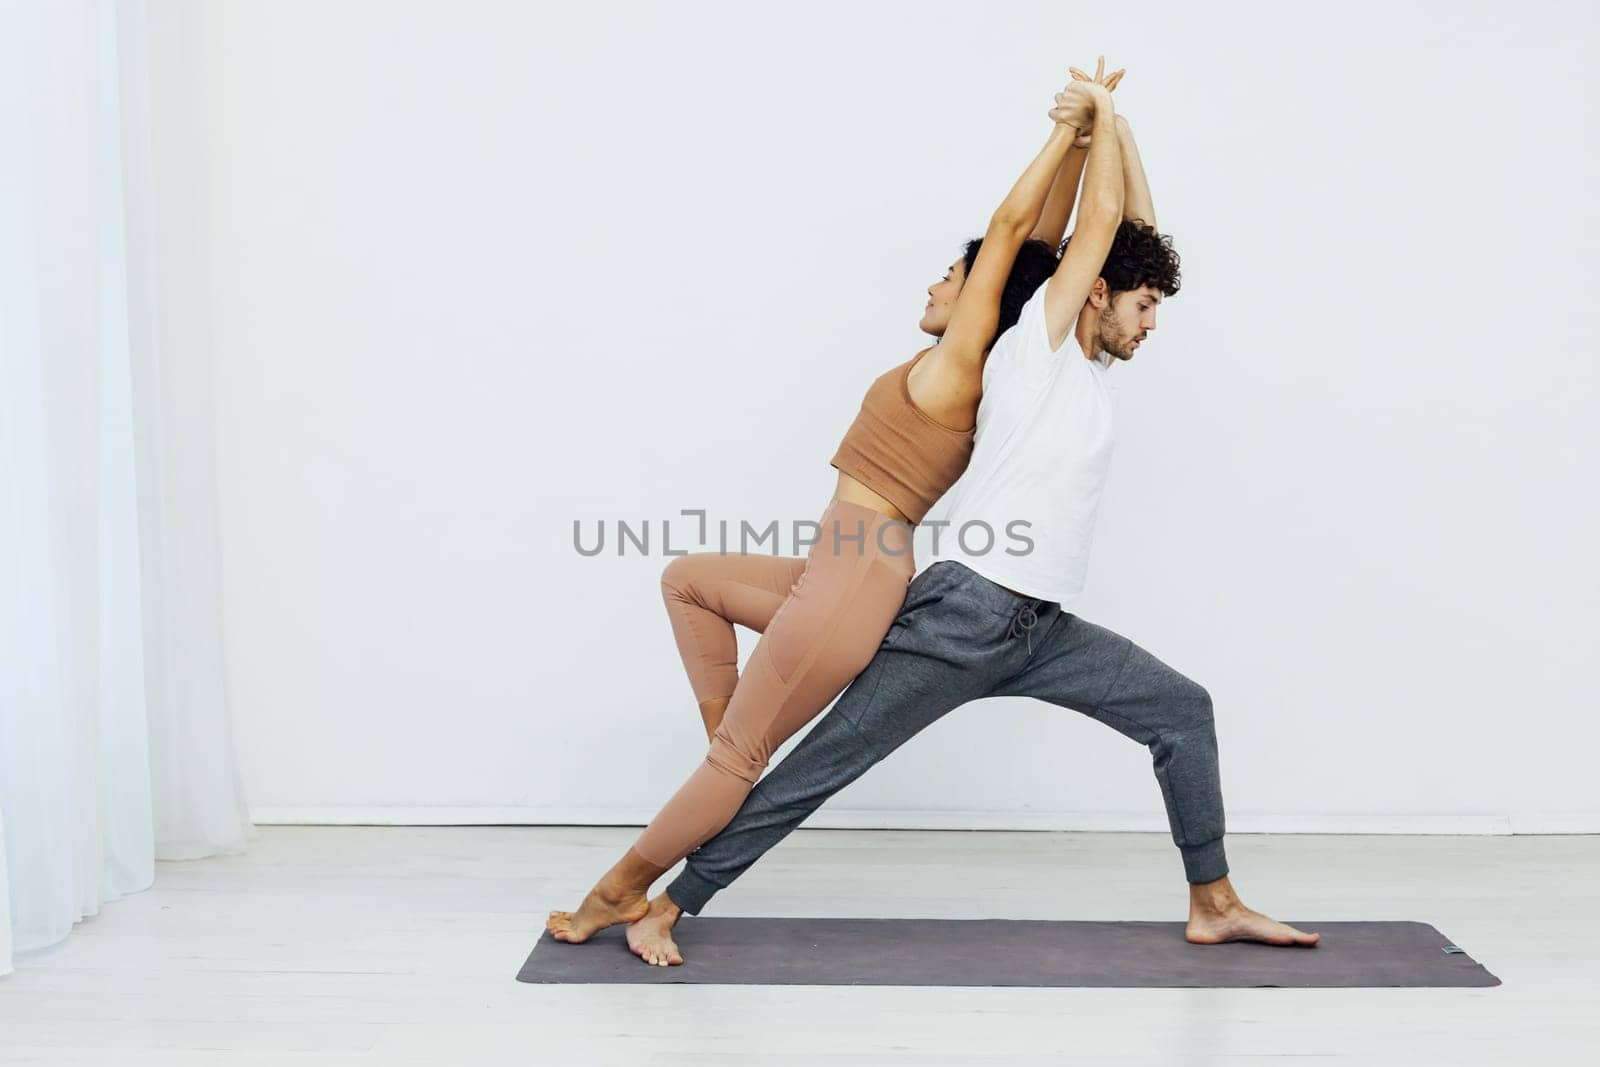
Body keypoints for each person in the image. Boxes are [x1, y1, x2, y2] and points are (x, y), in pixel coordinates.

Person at [622, 71, 1321, 966]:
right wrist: (1094, 122)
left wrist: (1120, 119)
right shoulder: (1040, 346)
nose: (1153, 325)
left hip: (1040, 626)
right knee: (821, 765)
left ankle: (1214, 900)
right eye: (1144, 306)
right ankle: (669, 905)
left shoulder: (1090, 372)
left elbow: (1130, 231)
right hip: (966, 615)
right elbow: (1102, 227)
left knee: (1182, 711)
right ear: (1095, 293)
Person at [547, 62, 1130, 954]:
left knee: (739, 756)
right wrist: (1081, 144)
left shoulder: (962, 364)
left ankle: (619, 890)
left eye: (949, 277)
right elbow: (1026, 247)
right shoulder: (969, 350)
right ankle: (728, 764)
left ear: (978, 296)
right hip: (838, 565)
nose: (935, 286)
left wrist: (1067, 131)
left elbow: (1012, 236)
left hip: (859, 574)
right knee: (690, 582)